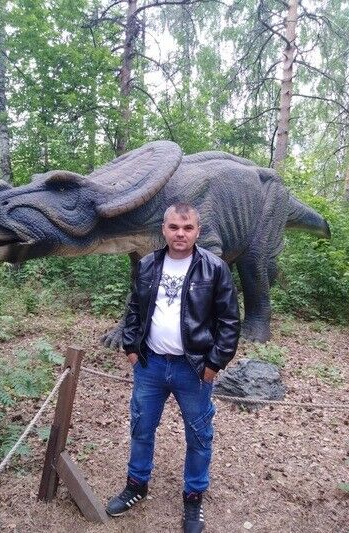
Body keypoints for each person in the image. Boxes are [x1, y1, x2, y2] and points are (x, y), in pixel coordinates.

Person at [106, 203, 240, 532]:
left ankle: (193, 497)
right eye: (174, 227)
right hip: (150, 365)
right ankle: (136, 485)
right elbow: (135, 309)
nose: (181, 234)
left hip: (193, 368)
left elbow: (229, 322)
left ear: (198, 231)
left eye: (188, 228)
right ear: (164, 229)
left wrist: (214, 364)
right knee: (141, 427)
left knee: (199, 435)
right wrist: (131, 348)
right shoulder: (148, 264)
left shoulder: (215, 268)